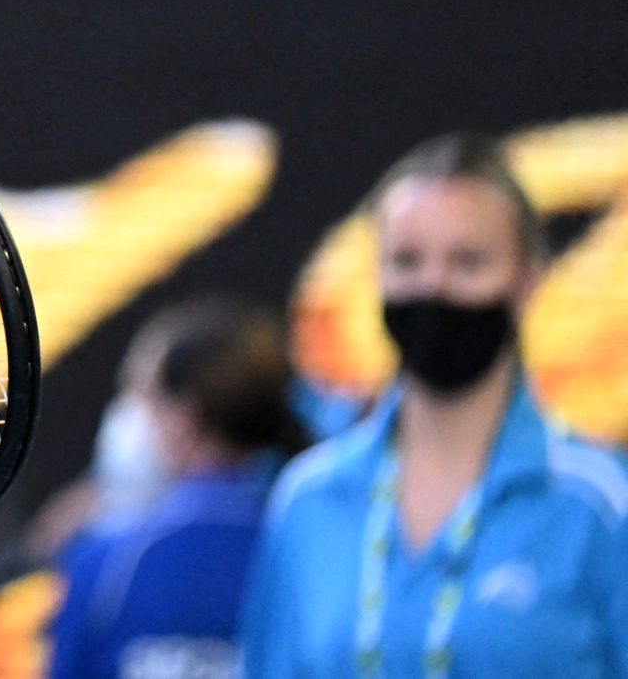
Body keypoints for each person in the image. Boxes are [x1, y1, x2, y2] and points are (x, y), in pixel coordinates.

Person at [240, 134, 628, 679]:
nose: (433, 286)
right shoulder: (309, 500)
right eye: (406, 261)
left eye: (468, 262)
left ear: (528, 282)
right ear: (376, 279)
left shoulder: (600, 503)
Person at [43, 297, 305, 679]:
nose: (130, 418)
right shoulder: (308, 545)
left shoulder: (108, 563)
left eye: (143, 396)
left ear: (185, 415)